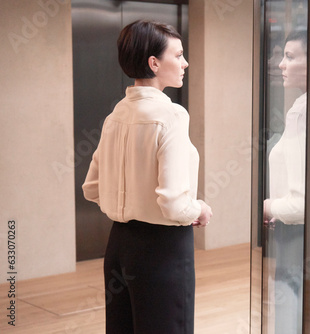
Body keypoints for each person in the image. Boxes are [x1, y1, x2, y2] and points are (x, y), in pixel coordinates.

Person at [82, 20, 212, 334]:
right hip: (162, 250)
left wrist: (129, 202)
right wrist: (199, 210)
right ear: (154, 63)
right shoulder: (172, 116)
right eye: (178, 55)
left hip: (119, 246)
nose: (185, 63)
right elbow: (173, 204)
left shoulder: (117, 115)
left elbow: (92, 188)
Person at [263, 30, 307, 334]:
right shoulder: (300, 107)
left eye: (290, 57)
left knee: (290, 310)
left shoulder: (302, 112)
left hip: (296, 234)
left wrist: (267, 206)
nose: (280, 64)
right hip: (286, 229)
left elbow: (303, 204)